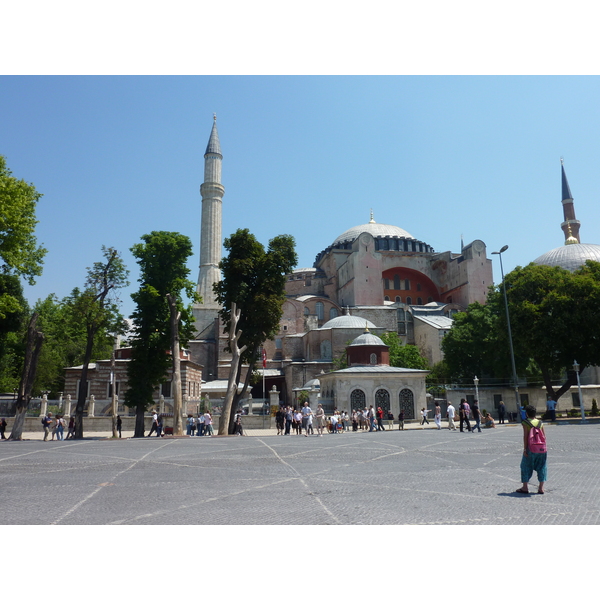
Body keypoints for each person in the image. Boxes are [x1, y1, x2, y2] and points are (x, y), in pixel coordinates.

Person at [516, 405, 547, 494]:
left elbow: (526, 436)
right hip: (541, 448)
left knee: (525, 466)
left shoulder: (525, 423)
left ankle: (525, 487)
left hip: (531, 448)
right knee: (542, 467)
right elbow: (544, 436)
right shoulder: (540, 423)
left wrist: (525, 449)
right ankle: (541, 487)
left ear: (526, 413)